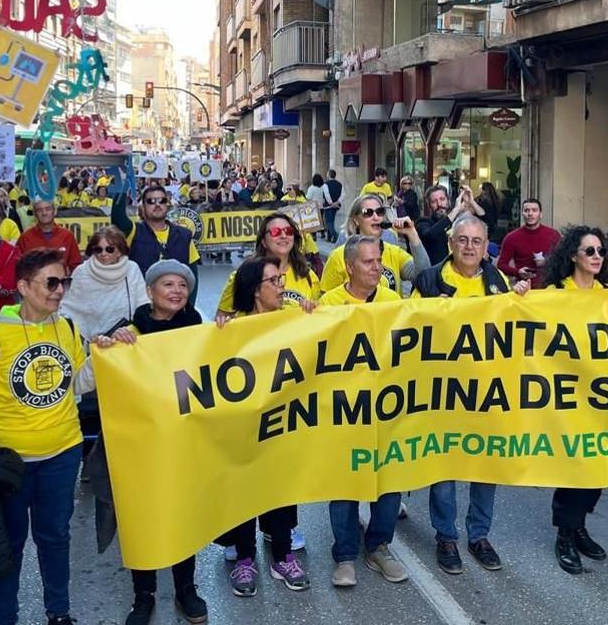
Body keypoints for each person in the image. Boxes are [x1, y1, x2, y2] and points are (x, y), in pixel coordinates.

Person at [0, 248, 98, 625]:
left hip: (63, 453)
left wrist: (103, 358)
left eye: (63, 282)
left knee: (55, 538)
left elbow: (75, 386)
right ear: (23, 286)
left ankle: (59, 612)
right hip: (9, 462)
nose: (59, 290)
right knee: (9, 544)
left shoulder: (68, 327)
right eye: (51, 282)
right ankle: (4, 615)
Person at [95, 260, 206, 625]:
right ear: (150, 291)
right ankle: (143, 596)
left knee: (183, 514)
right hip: (142, 445)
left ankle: (185, 588)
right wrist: (111, 344)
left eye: (182, 286)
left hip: (184, 440)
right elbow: (101, 363)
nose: (176, 291)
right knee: (140, 517)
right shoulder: (131, 328)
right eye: (168, 284)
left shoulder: (199, 328)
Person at [411, 214, 509, 574]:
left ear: (486, 247)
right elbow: (411, 331)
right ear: (451, 243)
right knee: (444, 465)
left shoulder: (500, 282)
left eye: (477, 241)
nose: (470, 247)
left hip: (486, 392)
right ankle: (446, 536)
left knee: (486, 465)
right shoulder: (429, 280)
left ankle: (479, 535)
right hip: (442, 392)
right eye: (463, 240)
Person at [317, 236, 408, 588]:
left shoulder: (392, 300)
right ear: (349, 266)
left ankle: (379, 546)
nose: (377, 268)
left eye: (379, 261)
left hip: (387, 407)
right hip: (345, 410)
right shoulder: (329, 303)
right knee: (344, 481)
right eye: (369, 262)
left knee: (390, 478)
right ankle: (344, 555)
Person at [220, 256, 310, 596]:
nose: (281, 286)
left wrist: (317, 316)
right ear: (255, 290)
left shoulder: (292, 320)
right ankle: (244, 559)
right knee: (245, 490)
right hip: (244, 428)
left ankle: (283, 555)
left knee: (281, 490)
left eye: (281, 280)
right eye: (274, 281)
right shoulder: (230, 328)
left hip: (284, 423)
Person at [536, 225, 608, 574]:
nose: (597, 257)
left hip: (602, 396)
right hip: (566, 395)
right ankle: (565, 534)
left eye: (600, 251)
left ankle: (580, 524)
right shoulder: (554, 294)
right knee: (573, 464)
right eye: (590, 251)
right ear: (573, 256)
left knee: (597, 466)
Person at [215, 213, 320, 323]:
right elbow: (221, 321)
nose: (284, 236)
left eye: (288, 231)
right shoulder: (242, 276)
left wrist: (312, 309)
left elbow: (317, 322)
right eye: (276, 232)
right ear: (264, 242)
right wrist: (224, 322)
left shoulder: (308, 276)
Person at [320, 195, 429, 294]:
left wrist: (412, 234)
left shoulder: (394, 252)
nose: (376, 217)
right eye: (368, 212)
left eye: (380, 211)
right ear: (356, 220)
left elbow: (424, 277)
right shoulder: (338, 257)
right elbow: (326, 302)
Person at [112, 184, 201, 305]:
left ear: (167, 205)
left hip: (176, 308)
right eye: (151, 201)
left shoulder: (184, 235)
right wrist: (122, 185)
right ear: (143, 207)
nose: (157, 204)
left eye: (162, 200)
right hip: (142, 307)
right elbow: (118, 219)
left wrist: (189, 309)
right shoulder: (134, 231)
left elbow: (192, 277)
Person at [60, 227, 147, 340]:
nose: (103, 253)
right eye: (98, 249)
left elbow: (142, 304)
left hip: (126, 339)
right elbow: (69, 308)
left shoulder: (132, 269)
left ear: (119, 251)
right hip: (93, 342)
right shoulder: (82, 272)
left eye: (109, 249)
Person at [496, 198, 561, 289]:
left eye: (534, 210)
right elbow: (501, 264)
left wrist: (547, 261)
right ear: (522, 213)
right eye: (526, 210)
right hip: (524, 289)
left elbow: (563, 260)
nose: (530, 214)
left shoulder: (553, 235)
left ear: (540, 214)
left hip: (551, 289)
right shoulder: (511, 238)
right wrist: (517, 272)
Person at [415, 184, 478, 265]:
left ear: (448, 201)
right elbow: (430, 234)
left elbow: (485, 224)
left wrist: (471, 202)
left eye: (442, 199)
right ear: (429, 205)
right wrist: (456, 210)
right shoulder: (423, 222)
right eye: (434, 201)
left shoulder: (456, 223)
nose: (439, 204)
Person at [17, 198, 82, 274]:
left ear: (55, 211)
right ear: (35, 214)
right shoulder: (25, 238)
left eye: (48, 209)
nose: (44, 213)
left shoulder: (67, 236)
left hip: (60, 284)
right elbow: (17, 267)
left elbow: (76, 267)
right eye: (39, 210)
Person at [323, 170, 344, 243]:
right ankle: (329, 237)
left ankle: (335, 235)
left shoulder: (326, 184)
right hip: (337, 206)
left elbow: (327, 195)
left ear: (329, 175)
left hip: (329, 206)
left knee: (329, 222)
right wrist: (338, 202)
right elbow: (343, 194)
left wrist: (331, 203)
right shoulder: (340, 184)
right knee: (332, 221)